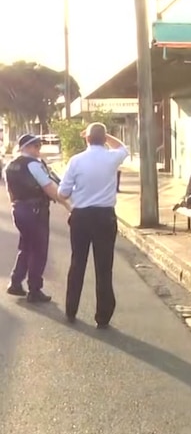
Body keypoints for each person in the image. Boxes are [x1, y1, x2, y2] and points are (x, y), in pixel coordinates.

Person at [58, 123, 129, 328]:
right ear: (104, 138)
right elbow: (123, 148)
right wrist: (107, 136)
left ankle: (71, 310)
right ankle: (103, 316)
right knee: (104, 267)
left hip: (81, 216)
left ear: (86, 139)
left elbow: (63, 193)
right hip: (105, 217)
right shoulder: (111, 157)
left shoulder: (76, 161)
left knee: (77, 263)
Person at [5, 134, 70, 303]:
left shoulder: (10, 165)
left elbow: (10, 192)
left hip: (18, 209)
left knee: (26, 246)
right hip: (35, 211)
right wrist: (69, 206)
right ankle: (34, 289)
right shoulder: (33, 165)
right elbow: (49, 188)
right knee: (39, 250)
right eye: (36, 146)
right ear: (27, 147)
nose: (38, 149)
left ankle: (15, 282)